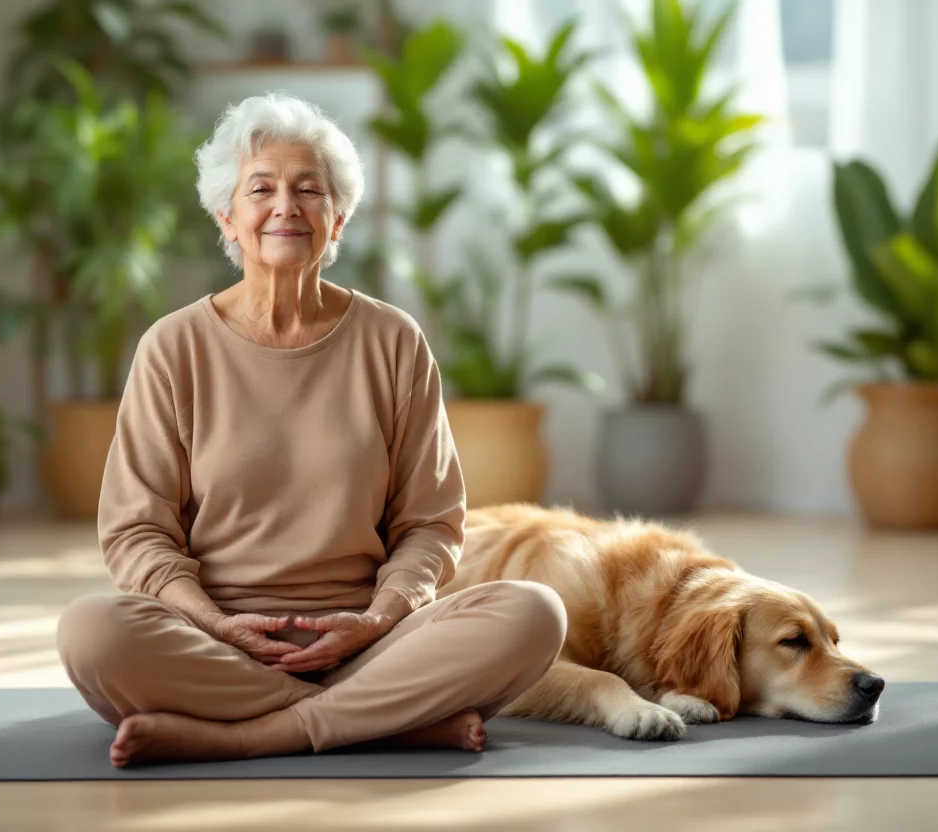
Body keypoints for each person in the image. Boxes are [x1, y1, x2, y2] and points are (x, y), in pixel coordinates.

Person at [56, 92, 567, 768]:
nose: (285, 207)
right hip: (214, 638)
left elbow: (430, 525)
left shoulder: (393, 340)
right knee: (93, 633)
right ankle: (384, 721)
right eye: (261, 188)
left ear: (339, 218)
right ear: (227, 218)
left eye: (309, 190)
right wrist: (216, 623)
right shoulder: (173, 346)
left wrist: (377, 621)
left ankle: (246, 735)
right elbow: (136, 531)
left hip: (368, 642)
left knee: (533, 614)